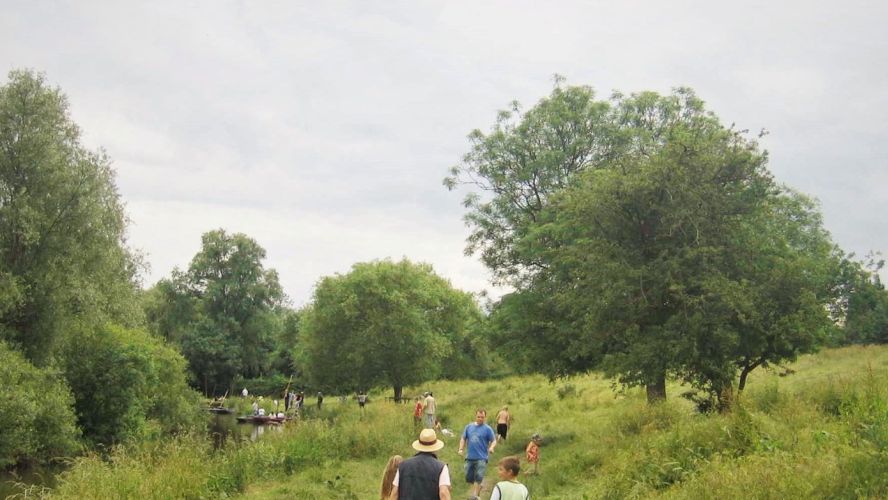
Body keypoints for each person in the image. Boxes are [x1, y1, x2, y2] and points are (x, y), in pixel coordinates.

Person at [389, 428, 451, 499]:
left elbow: (394, 493)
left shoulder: (403, 466)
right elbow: (443, 493)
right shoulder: (441, 467)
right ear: (435, 447)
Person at [458, 409, 497, 500]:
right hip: (470, 456)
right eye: (478, 417)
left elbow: (494, 440)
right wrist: (460, 449)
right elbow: (463, 438)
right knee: (468, 476)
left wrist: (491, 447)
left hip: (482, 457)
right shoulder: (468, 427)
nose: (480, 419)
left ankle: (475, 496)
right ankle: (479, 487)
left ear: (485, 417)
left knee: (479, 475)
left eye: (482, 417)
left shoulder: (487, 429)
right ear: (475, 416)